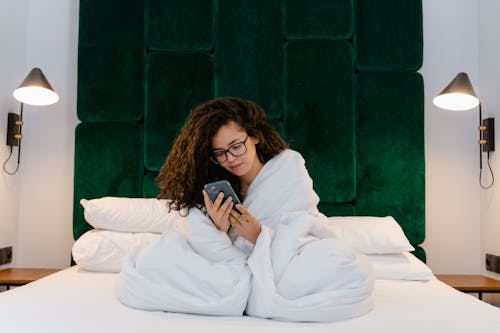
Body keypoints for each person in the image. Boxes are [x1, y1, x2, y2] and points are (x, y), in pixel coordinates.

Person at [156, 97, 289, 245]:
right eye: (220, 153)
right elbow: (214, 249)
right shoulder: (216, 188)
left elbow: (300, 230)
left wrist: (258, 236)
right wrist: (220, 229)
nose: (230, 158)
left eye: (236, 146)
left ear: (255, 136)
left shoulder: (287, 168)